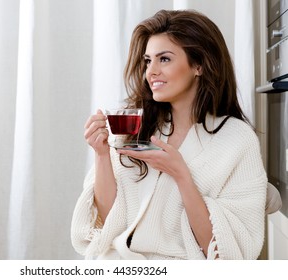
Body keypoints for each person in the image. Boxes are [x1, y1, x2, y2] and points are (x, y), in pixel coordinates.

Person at [71, 9, 267, 260]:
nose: (151, 72)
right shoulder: (133, 126)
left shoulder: (235, 139)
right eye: (147, 60)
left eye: (164, 59)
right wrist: (101, 154)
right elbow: (109, 224)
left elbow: (225, 253)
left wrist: (181, 174)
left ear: (199, 65)